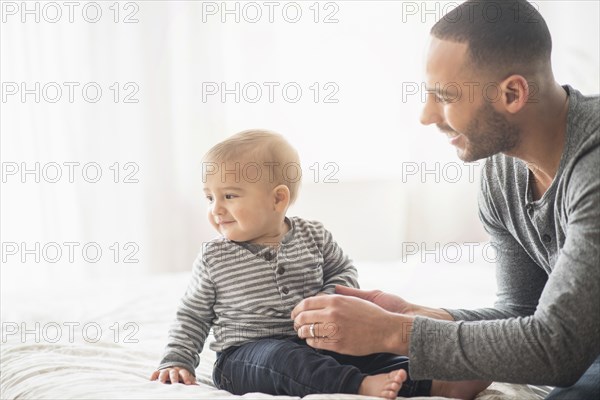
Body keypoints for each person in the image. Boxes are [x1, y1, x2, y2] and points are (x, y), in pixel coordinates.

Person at [291, 0, 600, 399]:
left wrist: (392, 332)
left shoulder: (592, 167)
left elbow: (557, 349)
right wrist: (416, 314)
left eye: (444, 96)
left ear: (512, 93)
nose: (426, 115)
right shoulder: (501, 172)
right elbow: (523, 313)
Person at [150, 129, 489, 399]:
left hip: (317, 340)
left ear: (278, 198)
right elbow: (192, 314)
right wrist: (178, 359)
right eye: (210, 197)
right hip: (245, 356)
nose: (216, 209)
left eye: (229, 196)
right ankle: (358, 387)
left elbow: (344, 272)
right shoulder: (214, 257)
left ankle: (437, 383)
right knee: (287, 361)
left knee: (370, 355)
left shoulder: (313, 235)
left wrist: (329, 298)